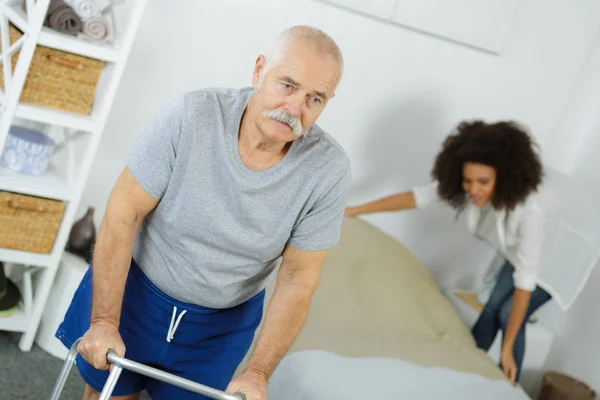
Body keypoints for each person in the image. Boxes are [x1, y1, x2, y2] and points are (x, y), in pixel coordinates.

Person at [56, 25, 350, 400]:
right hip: (137, 296)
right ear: (259, 70)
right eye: (288, 85)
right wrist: (102, 323)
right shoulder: (192, 114)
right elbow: (122, 213)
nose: (295, 109)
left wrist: (258, 372)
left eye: (315, 98)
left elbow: (299, 279)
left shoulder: (329, 170)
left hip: (220, 328)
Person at [345, 120, 599, 384]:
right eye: (468, 181)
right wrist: (354, 209)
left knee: (509, 312)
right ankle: (465, 366)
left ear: (504, 177)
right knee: (491, 305)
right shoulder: (474, 185)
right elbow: (417, 198)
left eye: (483, 181)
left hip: (566, 247)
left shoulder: (530, 210)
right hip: (535, 239)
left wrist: (508, 347)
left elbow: (525, 282)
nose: (473, 189)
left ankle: (507, 383)